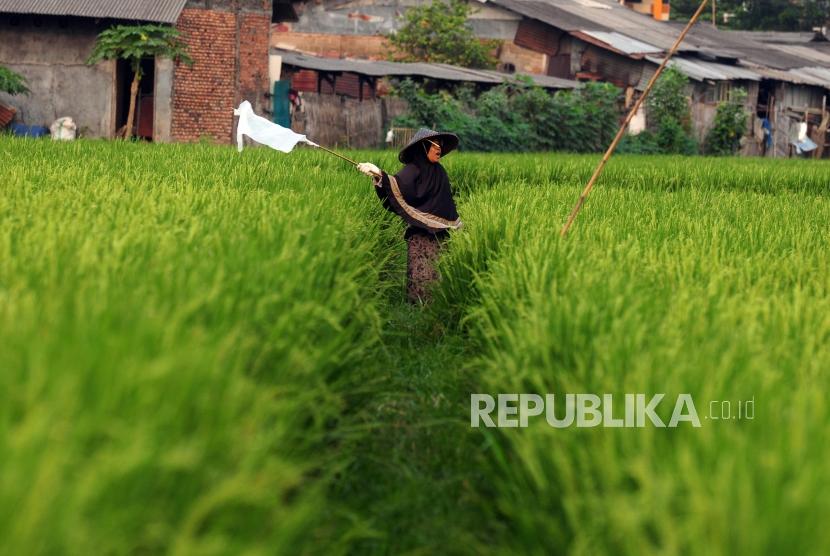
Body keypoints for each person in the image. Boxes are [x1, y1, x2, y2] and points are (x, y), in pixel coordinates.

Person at [357, 128, 463, 304]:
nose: (439, 149)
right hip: (421, 234)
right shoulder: (413, 169)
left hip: (443, 235)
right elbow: (397, 186)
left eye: (441, 145)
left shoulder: (440, 172)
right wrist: (378, 174)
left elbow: (445, 202)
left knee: (441, 277)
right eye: (435, 145)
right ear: (424, 147)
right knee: (422, 279)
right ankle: (417, 312)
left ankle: (439, 309)